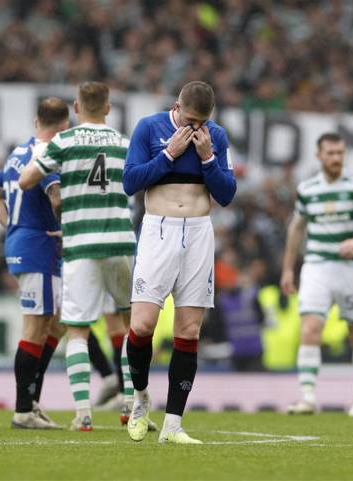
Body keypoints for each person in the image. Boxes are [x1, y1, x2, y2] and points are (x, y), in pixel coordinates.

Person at [19, 81, 138, 432]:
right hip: (120, 241)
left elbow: (27, 180)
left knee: (78, 331)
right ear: (109, 108)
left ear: (76, 107)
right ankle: (131, 405)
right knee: (133, 327)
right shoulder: (123, 142)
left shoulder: (64, 142)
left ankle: (83, 413)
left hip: (81, 245)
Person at [122, 80, 236, 444]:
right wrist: (168, 155)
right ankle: (139, 398)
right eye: (189, 120)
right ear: (176, 107)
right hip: (158, 230)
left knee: (188, 332)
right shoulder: (149, 128)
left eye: (201, 122)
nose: (195, 128)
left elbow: (227, 194)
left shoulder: (215, 136)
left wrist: (209, 159)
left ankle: (173, 424)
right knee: (141, 325)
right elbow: (130, 182)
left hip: (199, 233)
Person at [280, 132, 353, 417]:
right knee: (311, 329)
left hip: (352, 269)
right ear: (319, 156)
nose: (336, 159)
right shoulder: (308, 188)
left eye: (340, 153)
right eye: (331, 154)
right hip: (317, 266)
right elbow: (296, 228)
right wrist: (288, 268)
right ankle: (308, 398)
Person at [0, 97, 70, 429]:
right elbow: (57, 197)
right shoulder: (48, 155)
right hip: (40, 245)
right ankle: (23, 409)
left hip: (25, 242)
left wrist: (11, 225)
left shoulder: (18, 153)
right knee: (36, 327)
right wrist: (66, 228)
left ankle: (31, 400)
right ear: (65, 127)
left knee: (57, 323)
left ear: (37, 121)